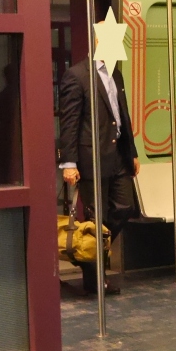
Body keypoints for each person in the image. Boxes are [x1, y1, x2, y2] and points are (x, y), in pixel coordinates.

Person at [57, 57, 139, 295]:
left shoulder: (116, 74)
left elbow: (122, 115)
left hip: (118, 155)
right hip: (91, 157)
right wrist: (69, 163)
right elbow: (69, 122)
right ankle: (94, 278)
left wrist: (132, 152)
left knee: (125, 207)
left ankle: (88, 253)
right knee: (97, 216)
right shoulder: (77, 75)